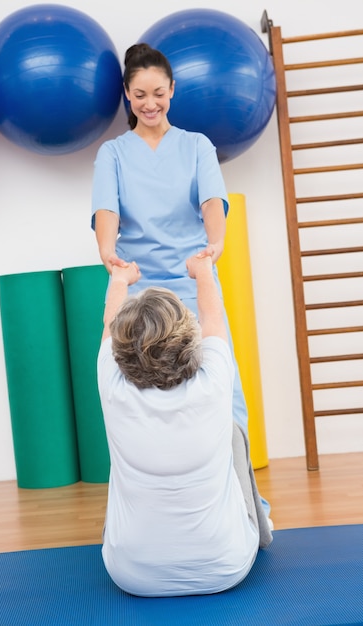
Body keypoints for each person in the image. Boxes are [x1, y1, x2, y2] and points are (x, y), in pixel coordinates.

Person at [91, 42, 271, 518]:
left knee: (224, 393)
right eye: (139, 95)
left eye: (158, 93)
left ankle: (245, 509)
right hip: (139, 293)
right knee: (137, 399)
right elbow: (106, 211)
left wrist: (214, 244)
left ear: (172, 90)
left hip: (193, 283)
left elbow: (214, 202)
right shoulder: (112, 153)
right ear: (127, 96)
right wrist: (108, 253)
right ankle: (155, 515)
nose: (150, 104)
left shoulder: (196, 146)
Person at [97, 254, 272, 597]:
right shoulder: (214, 384)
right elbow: (212, 317)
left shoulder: (112, 386)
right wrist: (203, 270)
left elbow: (109, 323)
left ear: (121, 348)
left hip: (132, 576)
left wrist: (119, 278)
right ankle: (262, 529)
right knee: (234, 432)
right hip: (226, 566)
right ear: (185, 337)